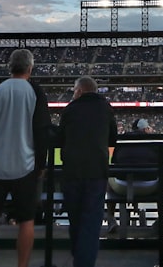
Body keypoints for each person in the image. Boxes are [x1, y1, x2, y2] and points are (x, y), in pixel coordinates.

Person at [0, 49, 50, 267]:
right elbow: (41, 131)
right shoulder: (34, 91)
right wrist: (40, 164)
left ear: (11, 67)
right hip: (25, 165)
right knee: (26, 221)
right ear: (30, 68)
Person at [55, 76, 116, 267]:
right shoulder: (105, 108)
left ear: (80, 91)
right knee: (91, 220)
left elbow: (60, 138)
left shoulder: (70, 109)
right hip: (96, 171)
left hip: (72, 171)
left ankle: (78, 257)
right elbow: (113, 139)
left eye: (74, 90)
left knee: (75, 218)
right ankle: (85, 261)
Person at [106, 118, 159, 233]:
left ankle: (111, 219)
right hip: (149, 186)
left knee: (109, 176)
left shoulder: (123, 139)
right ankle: (161, 220)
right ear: (145, 129)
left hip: (123, 186)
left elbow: (115, 163)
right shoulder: (153, 141)